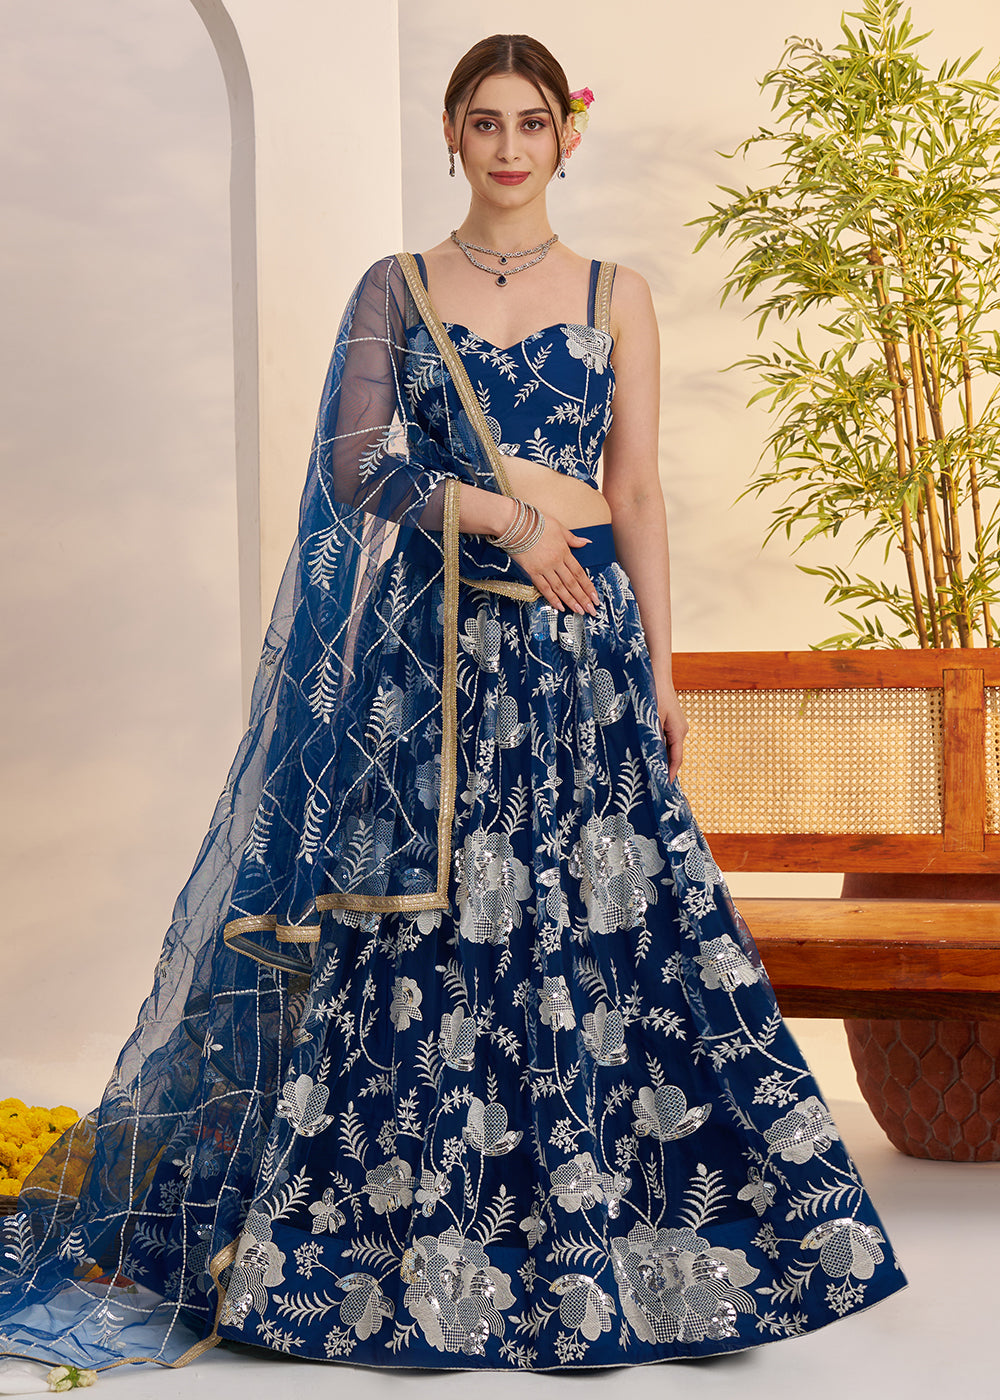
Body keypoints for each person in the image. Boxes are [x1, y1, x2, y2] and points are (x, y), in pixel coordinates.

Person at [0, 33, 906, 1376]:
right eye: (485, 121)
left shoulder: (618, 292)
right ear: (451, 133)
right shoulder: (398, 287)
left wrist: (663, 668)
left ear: (565, 137)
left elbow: (638, 490)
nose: (508, 146)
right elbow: (357, 462)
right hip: (437, 667)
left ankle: (633, 1251)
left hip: (583, 656)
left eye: (532, 122)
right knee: (428, 938)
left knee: (610, 933)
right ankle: (405, 1251)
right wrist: (497, 510)